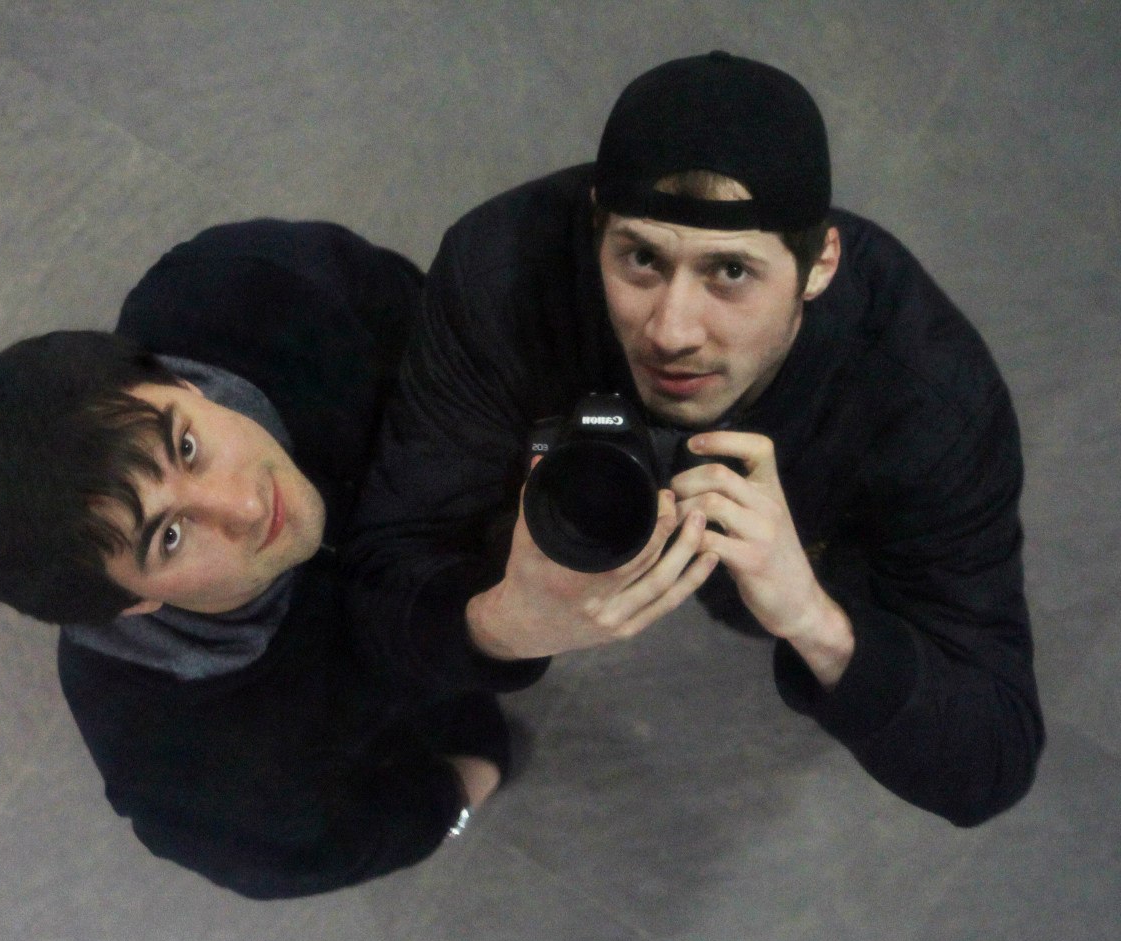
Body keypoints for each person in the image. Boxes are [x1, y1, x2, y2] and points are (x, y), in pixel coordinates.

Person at [346, 52, 1044, 827]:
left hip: (809, 548)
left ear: (820, 265)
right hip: (558, 518)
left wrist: (814, 621)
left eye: (731, 272)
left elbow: (992, 759)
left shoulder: (926, 392)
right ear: (594, 227)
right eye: (641, 258)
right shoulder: (499, 273)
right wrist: (502, 624)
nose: (672, 331)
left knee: (754, 605)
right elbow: (379, 579)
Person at [0, 219, 508, 899]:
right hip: (422, 705)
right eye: (169, 537)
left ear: (181, 384)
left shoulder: (257, 285)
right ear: (132, 602)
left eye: (187, 447)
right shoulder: (178, 762)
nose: (248, 505)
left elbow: (446, 324)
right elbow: (307, 852)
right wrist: (454, 793)